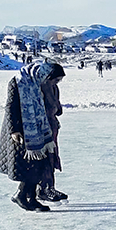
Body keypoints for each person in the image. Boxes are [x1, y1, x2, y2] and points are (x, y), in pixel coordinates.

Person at [0, 61, 60, 212]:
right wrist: (14, 130)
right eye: (53, 80)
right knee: (30, 165)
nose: (53, 83)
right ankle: (21, 195)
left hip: (36, 130)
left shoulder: (36, 82)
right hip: (20, 131)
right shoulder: (18, 81)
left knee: (39, 163)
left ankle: (30, 196)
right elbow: (11, 106)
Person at [37, 64, 67, 203]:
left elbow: (57, 107)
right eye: (56, 80)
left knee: (52, 157)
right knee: (43, 158)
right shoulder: (40, 87)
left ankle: (50, 186)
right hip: (43, 128)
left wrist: (57, 109)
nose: (57, 83)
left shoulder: (54, 88)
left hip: (52, 126)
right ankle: (42, 189)